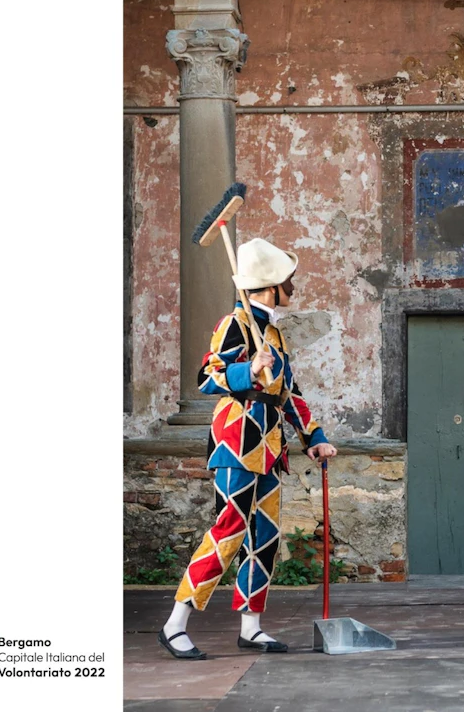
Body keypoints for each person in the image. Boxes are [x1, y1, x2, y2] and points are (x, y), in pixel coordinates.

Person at [159, 238, 338, 659]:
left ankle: (251, 628)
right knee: (229, 531)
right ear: (271, 286)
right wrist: (247, 369)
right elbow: (207, 378)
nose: (292, 287)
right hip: (237, 442)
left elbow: (288, 392)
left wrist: (313, 437)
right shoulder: (234, 324)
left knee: (265, 538)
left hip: (270, 448)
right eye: (288, 281)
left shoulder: (272, 333)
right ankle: (174, 625)